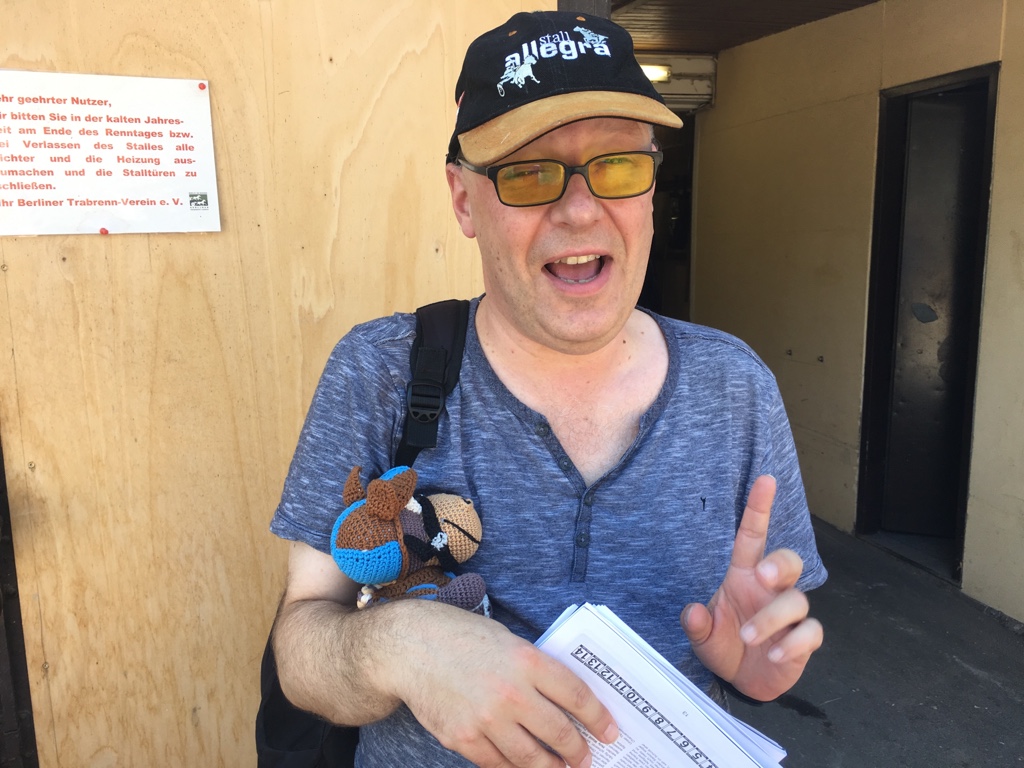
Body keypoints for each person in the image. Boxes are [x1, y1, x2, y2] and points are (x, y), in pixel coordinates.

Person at [269, 10, 827, 768]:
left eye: (618, 166)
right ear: (463, 200)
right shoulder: (382, 370)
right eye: (528, 174)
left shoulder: (736, 388)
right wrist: (397, 644)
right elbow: (301, 645)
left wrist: (756, 673)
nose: (580, 209)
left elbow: (767, 635)